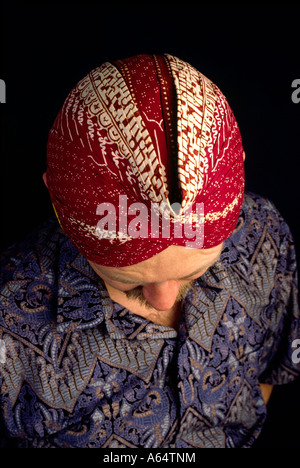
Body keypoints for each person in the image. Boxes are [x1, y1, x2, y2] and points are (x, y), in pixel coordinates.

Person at [0, 53, 299, 449]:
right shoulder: (9, 321)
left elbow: (266, 374)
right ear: (58, 208)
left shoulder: (263, 234)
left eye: (197, 273)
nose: (165, 300)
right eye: (127, 281)